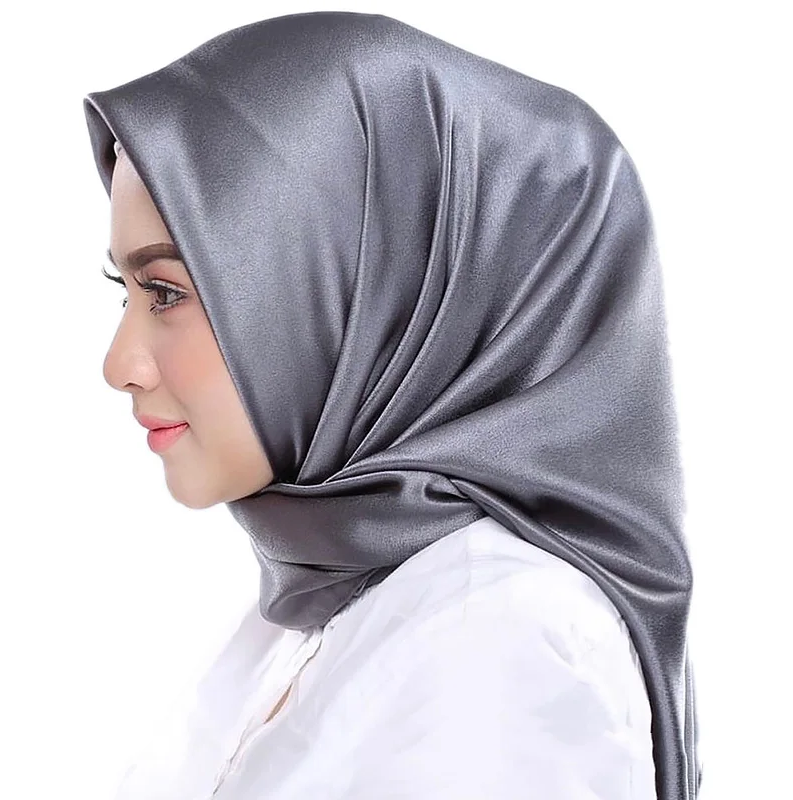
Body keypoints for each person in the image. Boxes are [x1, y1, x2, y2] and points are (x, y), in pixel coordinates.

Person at [84, 11, 701, 800]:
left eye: (166, 291)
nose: (119, 366)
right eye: (126, 290)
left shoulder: (497, 645)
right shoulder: (329, 603)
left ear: (372, 289)